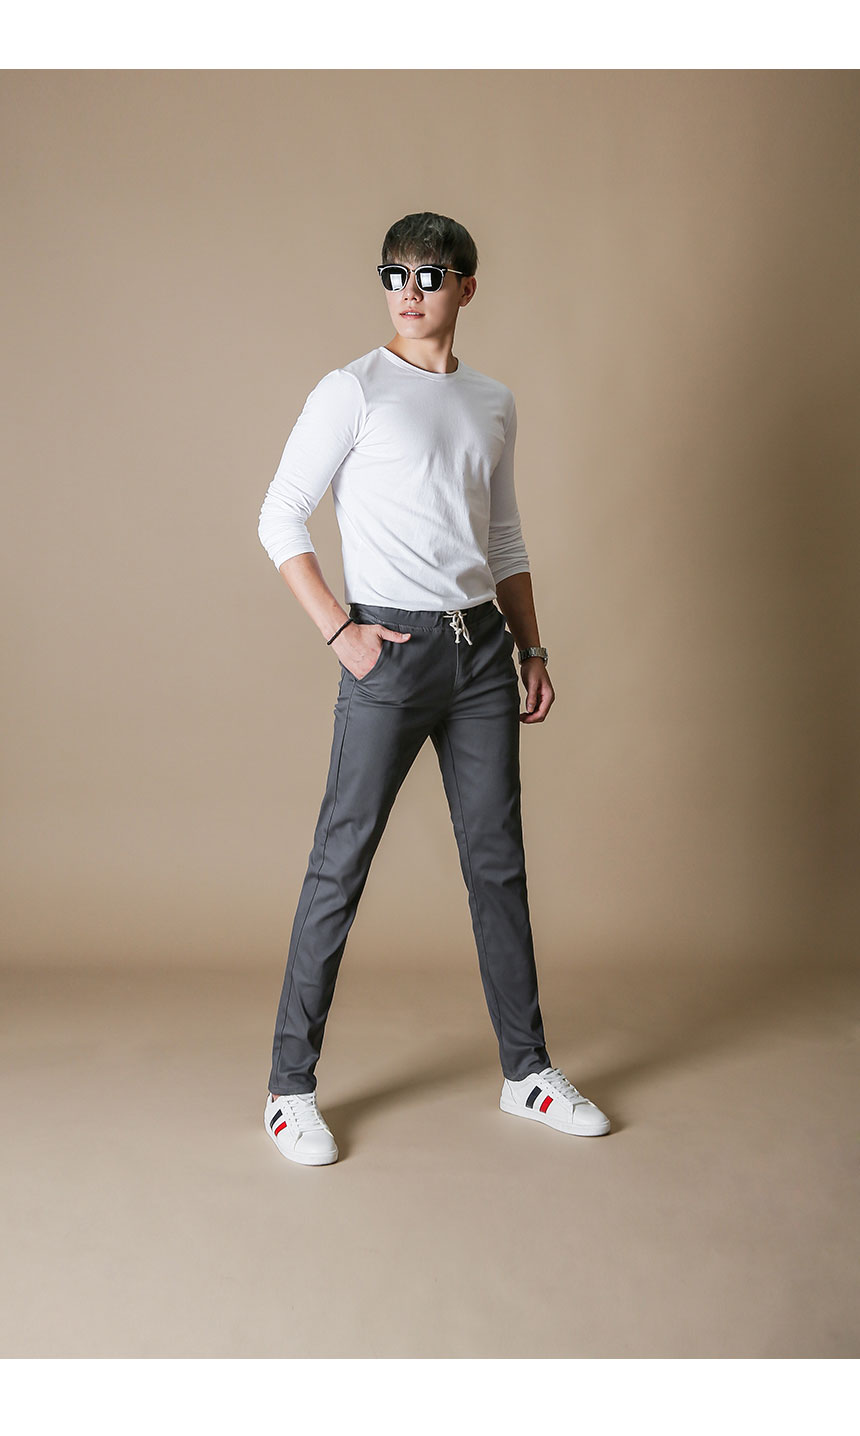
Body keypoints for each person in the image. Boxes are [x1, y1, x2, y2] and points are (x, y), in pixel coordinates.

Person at [257, 211, 610, 1166]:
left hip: (482, 652)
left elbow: (504, 538)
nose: (409, 291)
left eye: (429, 274)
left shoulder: (492, 401)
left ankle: (526, 1070)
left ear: (465, 287)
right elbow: (280, 515)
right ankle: (289, 1090)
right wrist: (340, 631)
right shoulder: (353, 390)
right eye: (394, 274)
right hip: (391, 651)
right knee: (342, 861)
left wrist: (532, 648)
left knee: (497, 862)